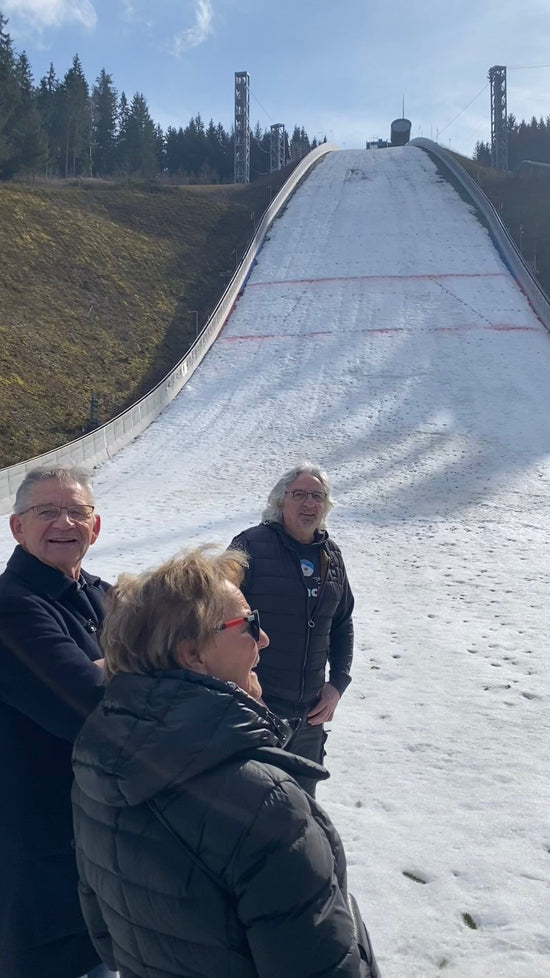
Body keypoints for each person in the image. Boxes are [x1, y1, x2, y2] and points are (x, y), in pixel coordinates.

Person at [71, 546, 373, 978]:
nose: (263, 639)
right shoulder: (267, 804)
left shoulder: (96, 761)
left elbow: (106, 938)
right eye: (249, 624)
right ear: (193, 655)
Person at [0, 465, 115, 978]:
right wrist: (144, 663)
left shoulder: (103, 594)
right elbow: (87, 705)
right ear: (17, 527)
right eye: (46, 511)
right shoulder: (11, 607)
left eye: (76, 511)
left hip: (100, 850)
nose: (64, 523)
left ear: (95, 526)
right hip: (41, 864)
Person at [230, 462, 354, 796]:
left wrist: (337, 684)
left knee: (301, 811)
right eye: (299, 494)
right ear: (280, 500)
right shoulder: (250, 546)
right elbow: (218, 618)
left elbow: (342, 623)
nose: (309, 503)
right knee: (253, 808)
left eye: (317, 496)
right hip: (257, 711)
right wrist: (238, 687)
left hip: (309, 720)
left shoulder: (331, 556)